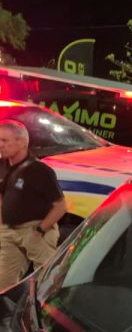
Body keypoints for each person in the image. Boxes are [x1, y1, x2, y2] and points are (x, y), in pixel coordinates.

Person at [0, 120, 66, 290]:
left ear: (21, 142)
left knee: (47, 283)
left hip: (35, 231)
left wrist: (40, 230)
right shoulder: (3, 166)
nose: (0, 145)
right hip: (9, 232)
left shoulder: (40, 171)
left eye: (4, 140)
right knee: (4, 283)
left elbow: (60, 206)